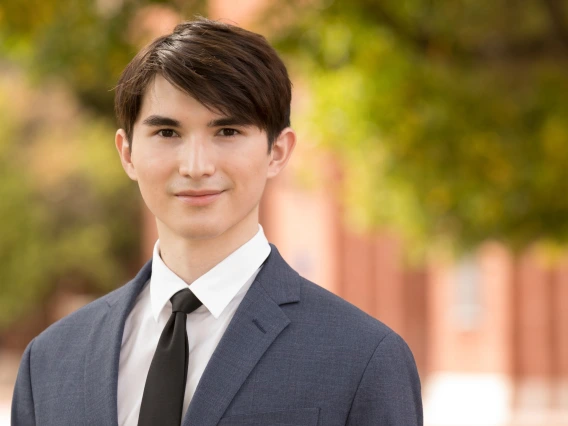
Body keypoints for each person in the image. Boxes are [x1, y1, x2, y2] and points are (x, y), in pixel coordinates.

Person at [11, 18, 422, 426]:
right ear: (127, 153)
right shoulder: (50, 361)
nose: (196, 166)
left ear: (277, 151)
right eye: (168, 133)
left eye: (226, 131)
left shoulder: (362, 358)